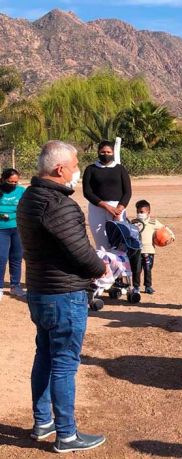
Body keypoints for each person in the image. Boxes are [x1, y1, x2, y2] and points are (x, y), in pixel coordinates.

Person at [17, 141, 107, 452]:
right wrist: (103, 267)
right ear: (60, 169)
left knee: (45, 355)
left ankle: (43, 422)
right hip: (64, 295)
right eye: (75, 166)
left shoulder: (30, 196)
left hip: (40, 292)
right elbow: (81, 253)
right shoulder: (58, 204)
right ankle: (66, 435)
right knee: (65, 364)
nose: (77, 172)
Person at [82, 140, 132, 249]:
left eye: (109, 152)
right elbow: (87, 192)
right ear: (98, 152)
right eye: (103, 152)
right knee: (101, 244)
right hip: (97, 208)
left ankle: (120, 265)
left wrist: (119, 209)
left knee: (119, 243)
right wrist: (105, 206)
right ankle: (104, 265)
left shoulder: (120, 169)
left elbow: (127, 192)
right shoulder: (90, 169)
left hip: (117, 210)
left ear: (113, 153)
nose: (106, 154)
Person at [130, 199, 174, 295]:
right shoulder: (133, 222)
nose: (139, 214)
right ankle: (136, 286)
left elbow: (165, 229)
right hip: (136, 251)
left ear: (148, 212)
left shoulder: (154, 222)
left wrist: (171, 237)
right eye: (138, 212)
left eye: (142, 212)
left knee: (148, 268)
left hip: (149, 250)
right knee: (136, 270)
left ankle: (148, 286)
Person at [0, 168, 26, 300]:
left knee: (16, 257)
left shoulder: (21, 191)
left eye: (15, 182)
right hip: (1, 229)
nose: (13, 184)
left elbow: (28, 206)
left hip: (17, 228)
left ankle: (15, 286)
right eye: (10, 182)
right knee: (1, 257)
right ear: (3, 179)